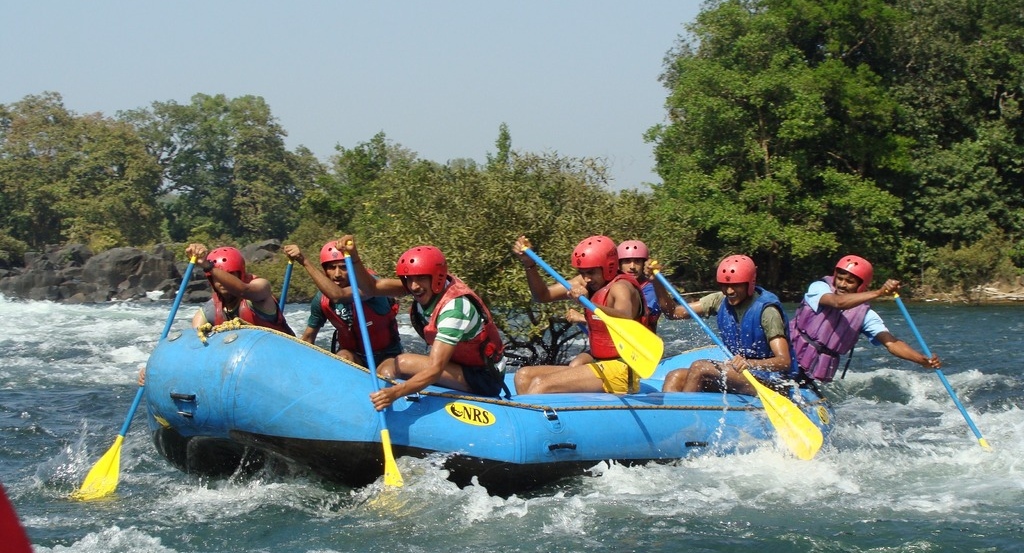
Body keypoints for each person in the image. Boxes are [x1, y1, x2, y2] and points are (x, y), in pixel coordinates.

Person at [338, 236, 506, 410]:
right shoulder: (428, 286)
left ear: (437, 278)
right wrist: (354, 257)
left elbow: (435, 369)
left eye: (420, 278)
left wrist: (396, 393)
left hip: (483, 379)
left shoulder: (455, 308)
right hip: (459, 367)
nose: (414, 286)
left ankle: (385, 402)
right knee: (389, 364)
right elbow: (372, 288)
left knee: (401, 362)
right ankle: (370, 399)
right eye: (408, 279)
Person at [511, 235, 646, 395]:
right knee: (523, 376)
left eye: (591, 272)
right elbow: (542, 295)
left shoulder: (621, 287)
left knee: (541, 384)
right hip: (599, 360)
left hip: (623, 367)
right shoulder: (586, 281)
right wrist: (529, 264)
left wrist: (587, 304)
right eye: (582, 273)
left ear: (608, 267)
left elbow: (625, 317)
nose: (586, 278)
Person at [790, 254, 941, 384]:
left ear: (861, 286)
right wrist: (880, 292)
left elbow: (891, 343)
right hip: (787, 358)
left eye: (849, 281)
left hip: (811, 375)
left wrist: (921, 360)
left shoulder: (865, 315)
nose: (842, 284)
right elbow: (837, 302)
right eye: (840, 278)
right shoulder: (819, 288)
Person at [653, 255, 793, 395]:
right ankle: (674, 414)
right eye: (725, 285)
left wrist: (750, 363)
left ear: (749, 284)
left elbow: (784, 361)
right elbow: (673, 313)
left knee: (700, 367)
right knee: (675, 376)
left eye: (736, 285)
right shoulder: (720, 300)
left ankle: (687, 413)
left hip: (772, 382)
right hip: (742, 375)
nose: (729, 291)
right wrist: (656, 282)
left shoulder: (767, 312)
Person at [283, 241, 402, 366]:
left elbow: (339, 295)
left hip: (386, 355)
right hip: (352, 355)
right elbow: (308, 338)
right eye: (332, 267)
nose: (337, 274)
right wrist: (294, 364)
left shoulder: (369, 287)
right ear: (325, 271)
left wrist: (304, 260)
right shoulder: (321, 300)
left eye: (343, 267)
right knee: (343, 359)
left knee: (386, 372)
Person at [187, 243, 294, 335]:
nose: (222, 281)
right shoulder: (208, 311)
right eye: (217, 277)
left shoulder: (262, 287)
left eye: (230, 274)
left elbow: (243, 290)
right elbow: (195, 341)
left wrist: (208, 266)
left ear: (240, 274)